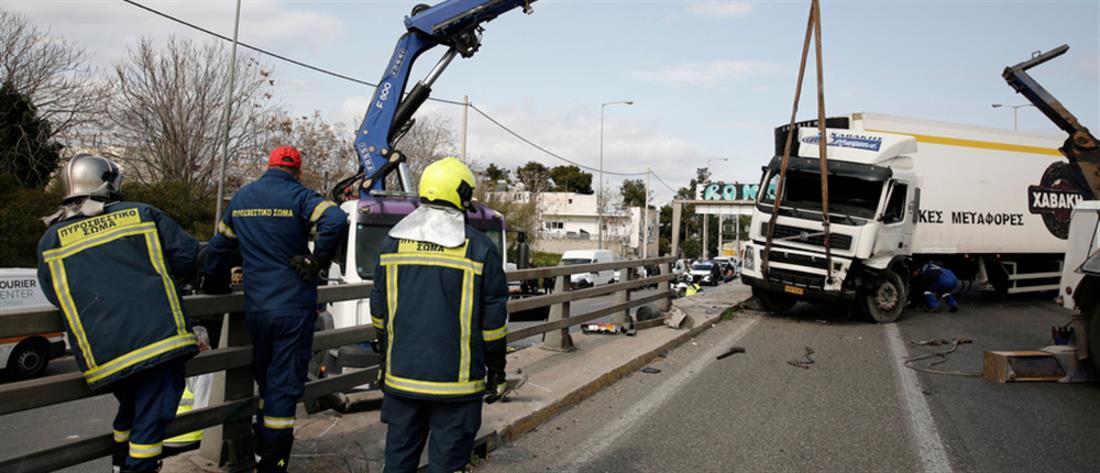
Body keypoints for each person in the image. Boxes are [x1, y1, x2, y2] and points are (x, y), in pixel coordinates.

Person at [35, 154, 200, 473]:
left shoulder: (50, 238)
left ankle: (118, 463)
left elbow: (55, 292)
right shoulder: (141, 214)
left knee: (131, 409)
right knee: (151, 420)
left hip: (104, 354)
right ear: (105, 183)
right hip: (158, 341)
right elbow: (188, 256)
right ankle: (138, 466)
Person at [202, 146, 348, 472]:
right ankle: (272, 461)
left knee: (267, 382)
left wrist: (212, 286)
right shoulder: (298, 195)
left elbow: (219, 247)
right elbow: (336, 217)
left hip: (257, 306)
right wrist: (318, 259)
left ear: (267, 166)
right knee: (282, 387)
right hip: (293, 306)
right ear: (296, 171)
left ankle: (260, 448)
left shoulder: (242, 198)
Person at [371, 157, 509, 473]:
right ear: (460, 194)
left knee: (397, 463)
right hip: (457, 386)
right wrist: (496, 371)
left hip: (402, 378)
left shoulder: (392, 244)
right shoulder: (478, 248)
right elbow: (493, 326)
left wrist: (384, 359)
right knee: (447, 465)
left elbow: (379, 311)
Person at [165, 325, 215, 453]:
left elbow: (200, 412)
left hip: (181, 436)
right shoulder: (197, 363)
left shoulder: (205, 368)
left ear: (199, 345)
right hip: (178, 435)